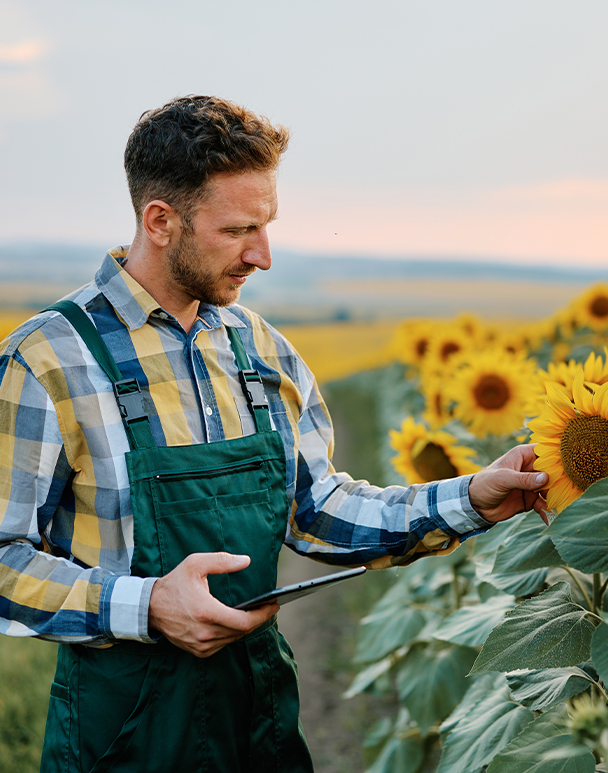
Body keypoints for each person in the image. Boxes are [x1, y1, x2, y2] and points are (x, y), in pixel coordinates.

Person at [0, 95, 548, 773]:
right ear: (161, 220)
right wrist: (145, 604)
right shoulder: (47, 359)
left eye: (267, 225)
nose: (261, 254)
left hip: (258, 721)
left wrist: (473, 497)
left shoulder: (263, 351)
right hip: (124, 737)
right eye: (238, 230)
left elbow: (317, 510)